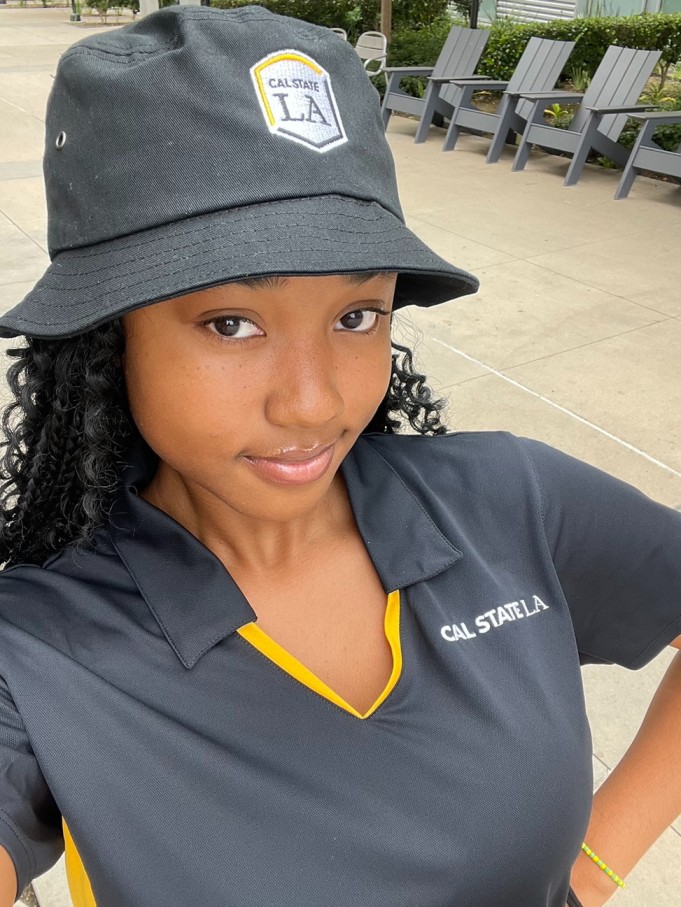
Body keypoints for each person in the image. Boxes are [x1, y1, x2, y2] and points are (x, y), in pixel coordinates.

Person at [0, 6, 679, 907]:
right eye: (231, 323)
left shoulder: (511, 500)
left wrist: (589, 867)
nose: (314, 402)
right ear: (105, 337)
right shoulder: (38, 650)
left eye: (357, 315)